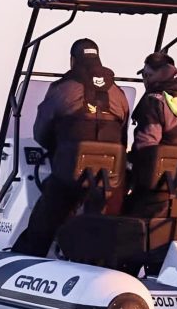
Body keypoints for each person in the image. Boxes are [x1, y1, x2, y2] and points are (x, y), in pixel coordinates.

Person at [12, 38, 129, 257]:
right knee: (103, 208)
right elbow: (123, 133)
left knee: (47, 213)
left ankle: (27, 258)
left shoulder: (63, 88)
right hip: (110, 174)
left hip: (70, 171)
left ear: (73, 60)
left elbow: (41, 130)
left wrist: (57, 148)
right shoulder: (118, 93)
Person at [124, 52, 177, 218]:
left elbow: (146, 146)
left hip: (156, 185)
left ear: (156, 75)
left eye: (147, 75)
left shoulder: (154, 101)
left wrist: (127, 161)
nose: (145, 80)